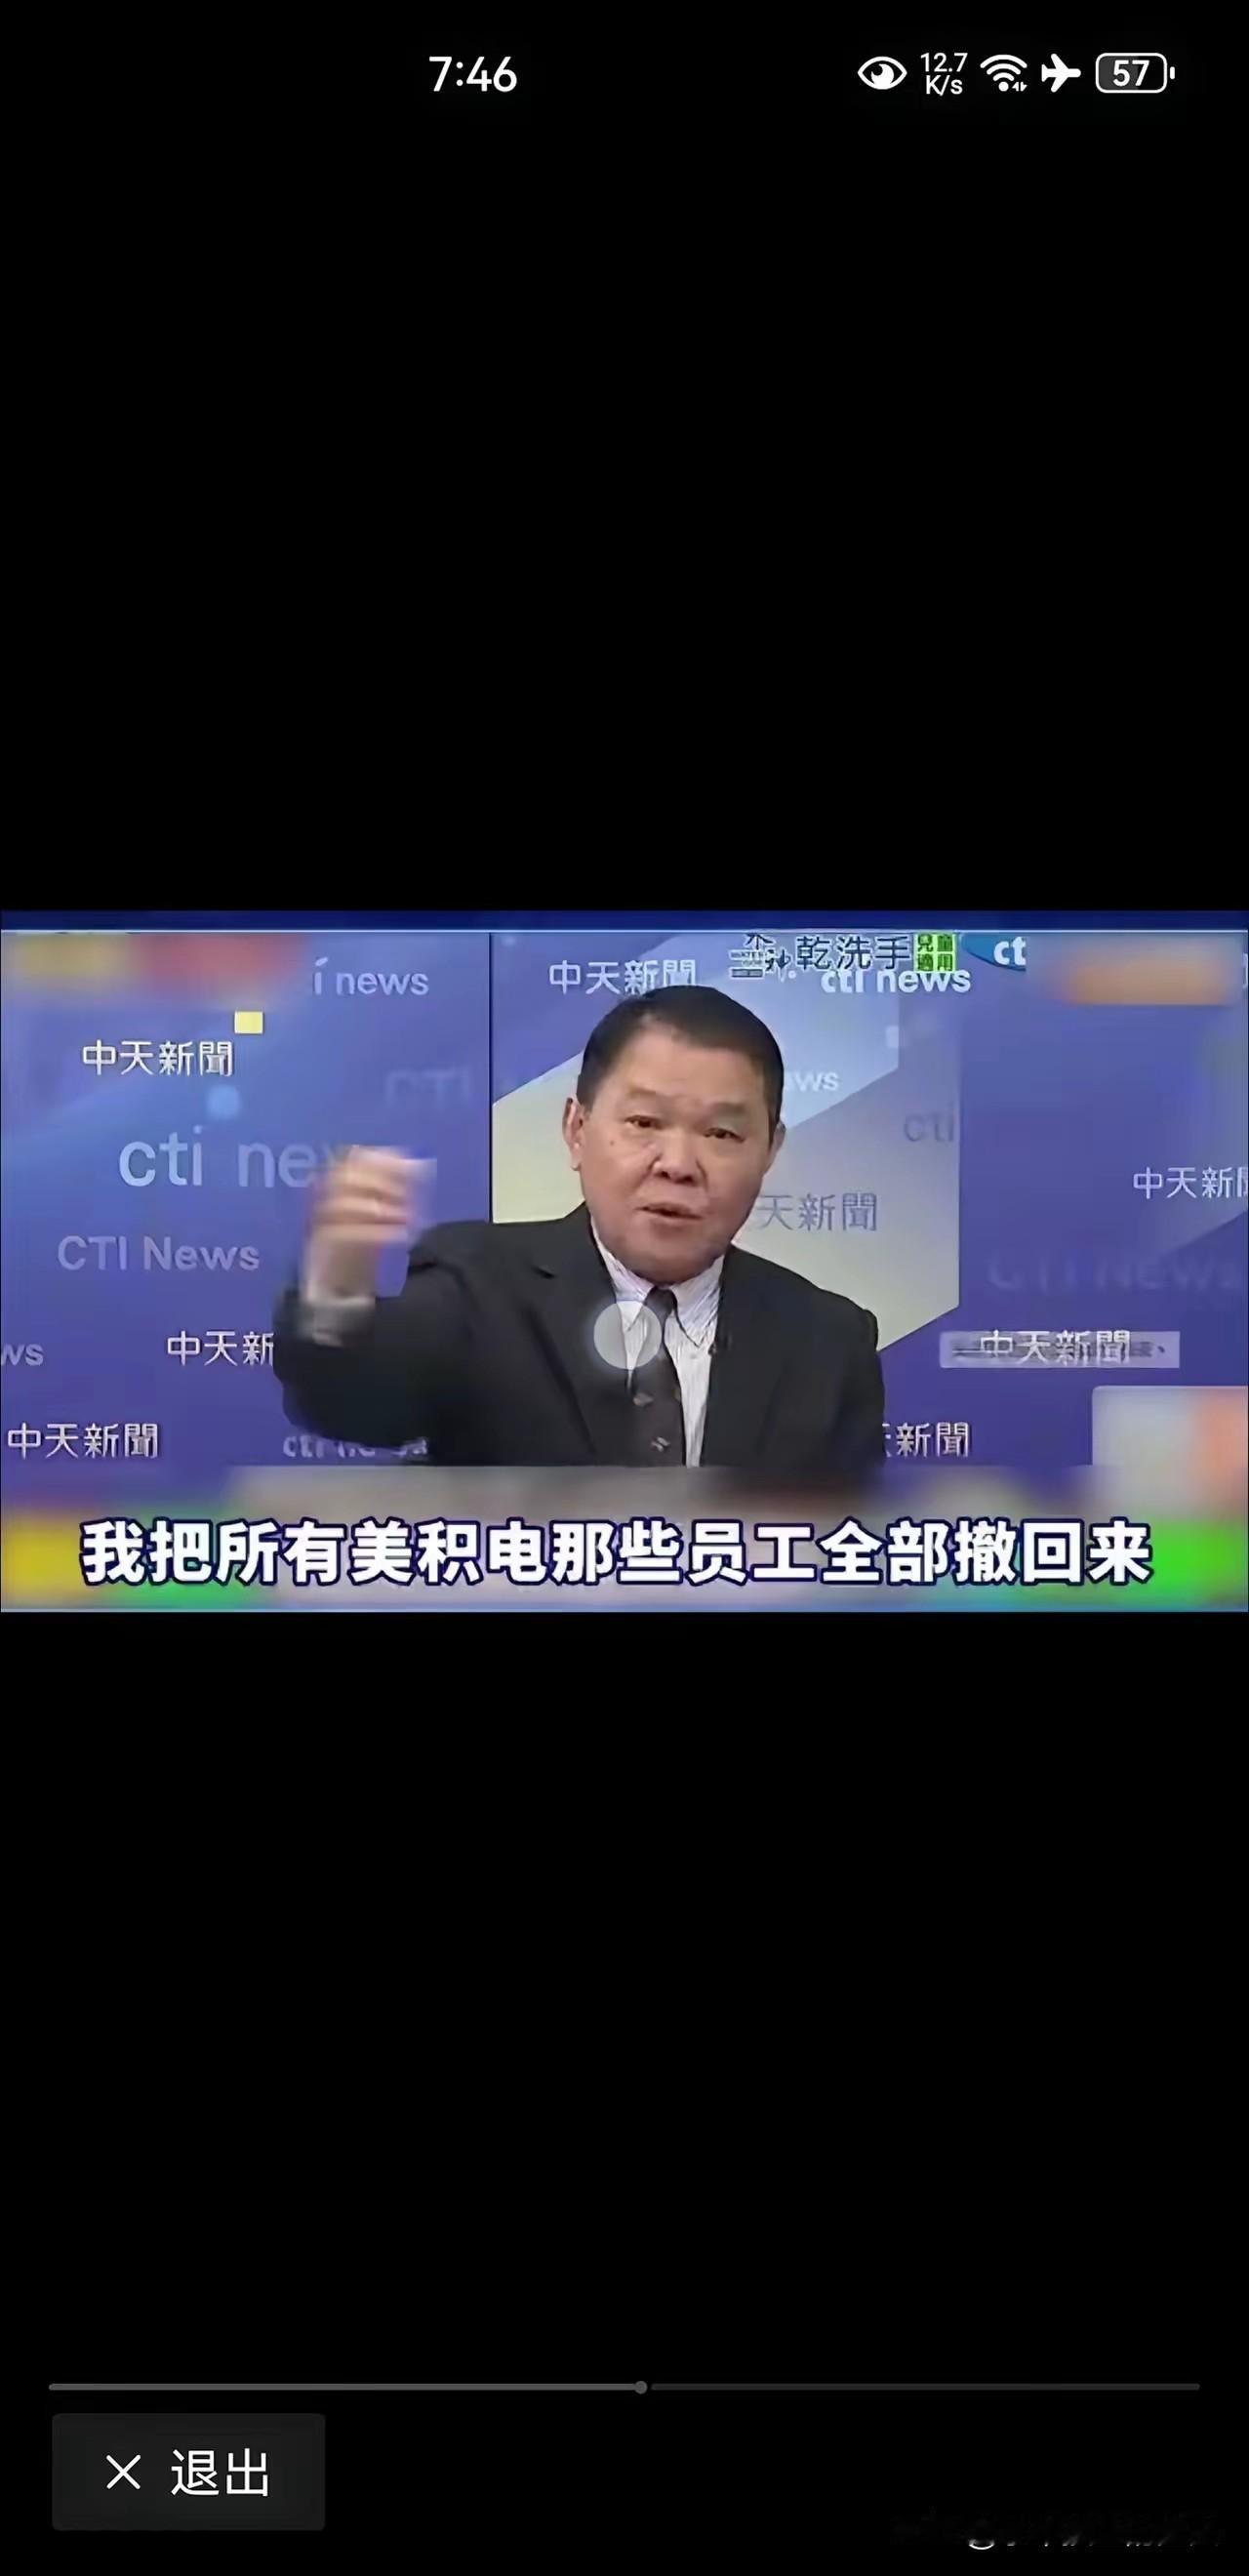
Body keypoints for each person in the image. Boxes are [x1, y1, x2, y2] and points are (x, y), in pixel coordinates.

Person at [273, 987, 885, 1473]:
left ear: (770, 1150)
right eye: (644, 1122)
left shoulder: (828, 1340)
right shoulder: (478, 1283)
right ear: (576, 1129)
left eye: (721, 1133)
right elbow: (350, 1402)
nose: (678, 1164)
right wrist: (337, 1286)